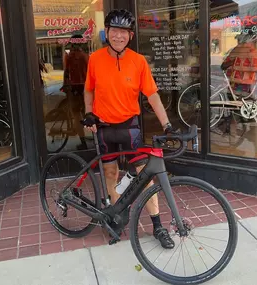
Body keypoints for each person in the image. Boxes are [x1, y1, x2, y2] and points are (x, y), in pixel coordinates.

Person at [83, 9, 175, 249]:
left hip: (129, 127)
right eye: (115, 31)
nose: (119, 37)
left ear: (130, 35)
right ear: (107, 33)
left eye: (124, 32)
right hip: (104, 129)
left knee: (146, 176)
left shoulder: (138, 61)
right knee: (111, 175)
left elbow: (152, 95)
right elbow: (88, 89)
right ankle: (117, 219)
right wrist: (88, 112)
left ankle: (157, 226)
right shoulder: (95, 59)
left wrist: (167, 124)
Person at [63, 34, 89, 150]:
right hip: (85, 89)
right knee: (88, 114)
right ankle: (97, 139)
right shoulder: (85, 56)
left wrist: (65, 87)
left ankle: (83, 141)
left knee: (76, 116)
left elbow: (66, 73)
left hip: (74, 89)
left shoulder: (69, 57)